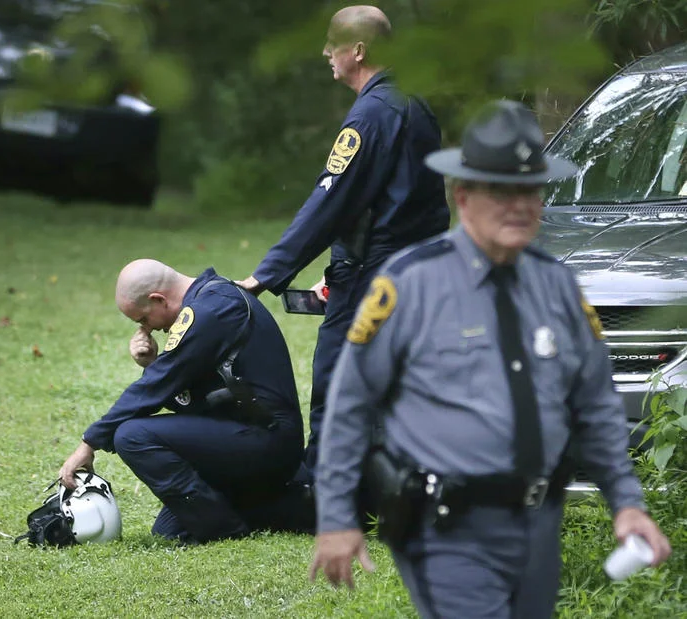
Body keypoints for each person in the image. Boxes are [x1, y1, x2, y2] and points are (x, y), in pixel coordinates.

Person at [308, 100, 672, 618]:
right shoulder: (410, 285)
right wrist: (337, 515)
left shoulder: (559, 287)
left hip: (539, 524)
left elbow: (596, 406)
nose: (520, 205)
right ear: (463, 196)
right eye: (502, 191)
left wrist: (626, 502)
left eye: (531, 190)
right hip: (445, 527)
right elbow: (350, 404)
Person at [237, 5, 451, 471]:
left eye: (332, 43)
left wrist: (265, 275)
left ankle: (324, 491)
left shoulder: (371, 115)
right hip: (420, 270)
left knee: (337, 380)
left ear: (358, 50)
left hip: (373, 275)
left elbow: (330, 202)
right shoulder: (417, 104)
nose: (325, 52)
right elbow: (426, 203)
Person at [58, 259, 314, 544]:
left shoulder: (210, 311)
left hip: (268, 441)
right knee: (170, 530)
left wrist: (89, 444)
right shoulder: (210, 301)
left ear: (158, 299)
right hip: (246, 435)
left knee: (132, 436)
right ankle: (290, 504)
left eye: (143, 319)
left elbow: (154, 388)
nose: (148, 329)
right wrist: (153, 363)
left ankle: (225, 530)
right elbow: (194, 403)